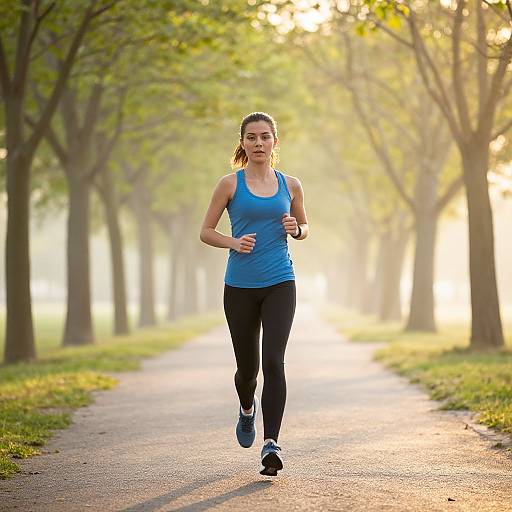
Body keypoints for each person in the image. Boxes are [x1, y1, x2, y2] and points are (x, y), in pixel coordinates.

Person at [199, 111, 309, 476]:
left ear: (275, 142)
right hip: (240, 287)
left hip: (280, 282)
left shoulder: (291, 184)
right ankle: (247, 409)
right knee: (248, 371)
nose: (259, 143)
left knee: (274, 362)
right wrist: (233, 242)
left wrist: (297, 229)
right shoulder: (229, 184)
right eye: (252, 137)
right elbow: (206, 231)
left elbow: (304, 226)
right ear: (243, 143)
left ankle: (271, 443)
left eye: (265, 137)